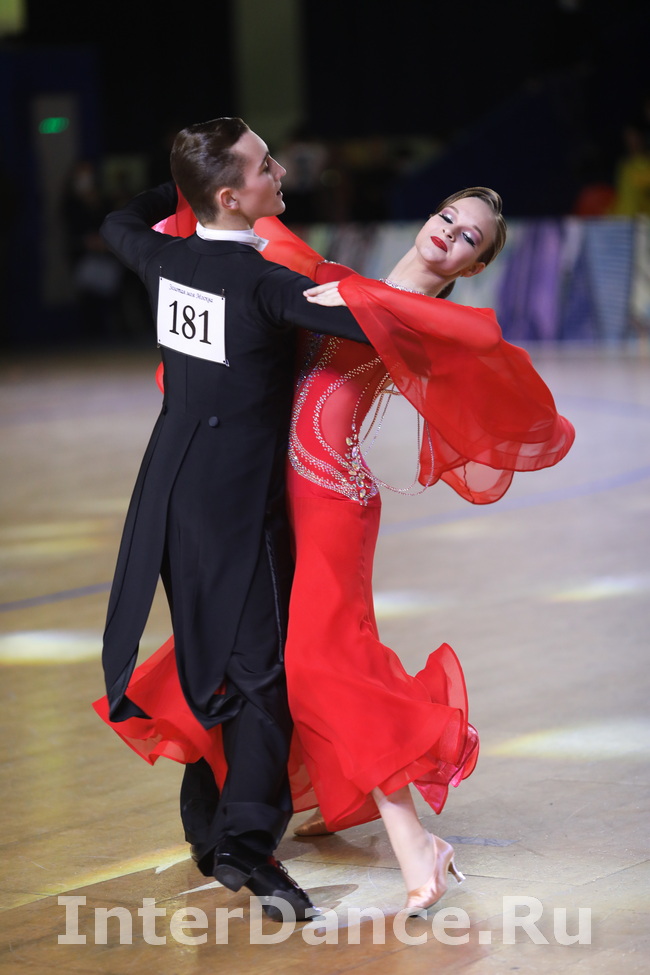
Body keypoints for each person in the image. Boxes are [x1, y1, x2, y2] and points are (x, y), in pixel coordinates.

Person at [95, 185, 575, 913]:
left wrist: (347, 293)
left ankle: (415, 840)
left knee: (325, 663)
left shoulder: (421, 316)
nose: (450, 234)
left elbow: (473, 334)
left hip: (330, 499)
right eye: (448, 217)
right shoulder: (341, 281)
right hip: (271, 495)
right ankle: (295, 799)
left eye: (469, 238)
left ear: (475, 265)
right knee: (266, 651)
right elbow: (258, 231)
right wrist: (198, 186)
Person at [95, 117, 371, 923]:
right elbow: (370, 326)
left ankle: (207, 826)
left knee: (212, 656)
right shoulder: (264, 284)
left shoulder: (164, 256)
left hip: (169, 493)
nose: (279, 171)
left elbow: (117, 221)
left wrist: (176, 189)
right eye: (262, 165)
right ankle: (247, 850)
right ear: (229, 195)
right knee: (262, 676)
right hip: (236, 503)